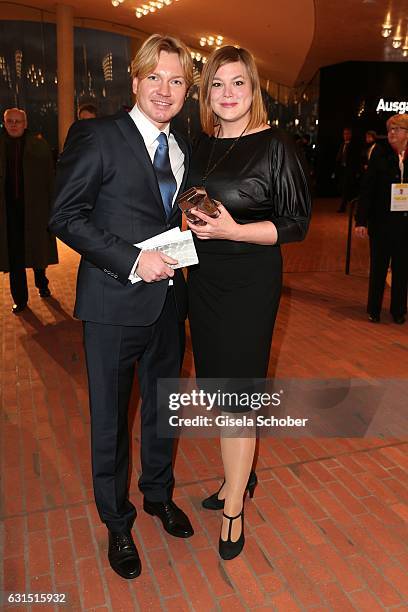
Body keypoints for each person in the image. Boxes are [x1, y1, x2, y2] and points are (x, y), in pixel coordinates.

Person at [49, 34, 194, 580]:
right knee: (110, 421)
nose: (164, 89)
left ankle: (157, 495)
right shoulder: (97, 136)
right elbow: (65, 215)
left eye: (176, 80)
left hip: (168, 305)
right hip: (113, 302)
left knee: (163, 410)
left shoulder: (182, 149)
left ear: (186, 91)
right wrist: (133, 260)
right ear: (134, 81)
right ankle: (117, 520)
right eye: (154, 77)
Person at [185, 46, 311, 560]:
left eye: (238, 83)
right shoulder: (202, 143)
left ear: (253, 90)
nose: (228, 94)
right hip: (205, 280)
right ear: (207, 93)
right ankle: (236, 478)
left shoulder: (276, 145)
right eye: (218, 84)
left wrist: (235, 229)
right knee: (220, 388)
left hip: (249, 282)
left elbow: (296, 224)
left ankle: (235, 504)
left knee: (239, 395)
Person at [0, 108, 58, 314]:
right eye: (10, 121)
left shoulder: (39, 146)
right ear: (4, 123)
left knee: (37, 251)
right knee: (14, 257)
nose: (14, 125)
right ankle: (20, 299)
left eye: (18, 121)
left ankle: (42, 283)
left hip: (36, 210)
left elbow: (50, 181)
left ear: (25, 123)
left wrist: (54, 208)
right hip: (9, 214)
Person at [355, 113, 408, 324]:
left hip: (405, 225)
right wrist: (361, 220)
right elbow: (367, 188)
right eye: (390, 130)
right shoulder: (380, 153)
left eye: (396, 129)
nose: (391, 134)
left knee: (402, 269)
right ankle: (374, 309)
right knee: (378, 268)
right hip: (382, 222)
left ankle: (398, 311)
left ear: (407, 133)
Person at [335, 126, 359, 212]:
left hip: (350, 170)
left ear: (351, 135)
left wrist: (355, 171)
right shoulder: (342, 144)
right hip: (342, 169)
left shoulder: (354, 145)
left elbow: (356, 159)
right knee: (343, 188)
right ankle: (346, 204)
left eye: (347, 134)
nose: (346, 135)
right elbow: (339, 156)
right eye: (344, 134)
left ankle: (343, 206)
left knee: (347, 189)